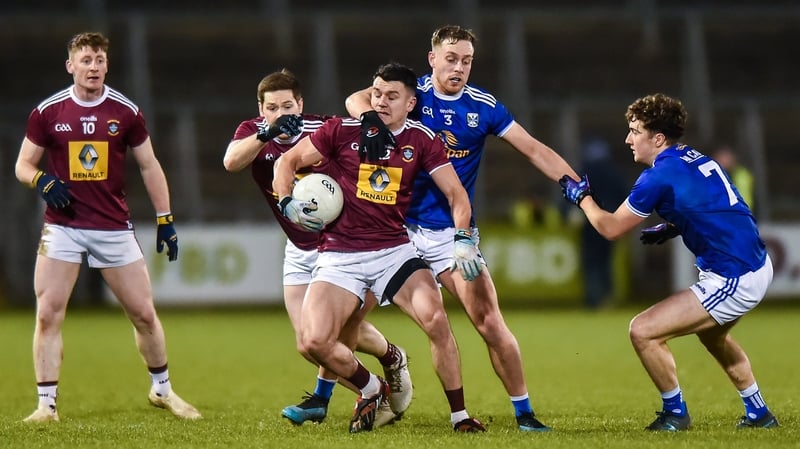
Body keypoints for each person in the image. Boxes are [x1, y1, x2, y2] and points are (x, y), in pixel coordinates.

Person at [345, 24, 581, 432]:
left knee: (489, 321)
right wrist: (370, 118)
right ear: (432, 58)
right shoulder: (409, 95)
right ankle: (353, 390)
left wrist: (576, 187)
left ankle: (524, 414)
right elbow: (356, 99)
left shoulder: (484, 107)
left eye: (466, 61)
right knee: (345, 320)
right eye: (451, 59)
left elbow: (534, 149)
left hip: (449, 233)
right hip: (395, 231)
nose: (459, 68)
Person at [273, 62, 485, 433]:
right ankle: (374, 388)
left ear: (410, 103)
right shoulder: (341, 131)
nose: (382, 101)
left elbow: (456, 194)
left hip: (393, 252)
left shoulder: (422, 140)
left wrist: (464, 239)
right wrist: (286, 201)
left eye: (392, 96)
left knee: (436, 321)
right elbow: (287, 162)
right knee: (312, 341)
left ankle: (460, 416)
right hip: (339, 255)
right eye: (376, 93)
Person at [559, 92, 778, 431]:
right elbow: (718, 205)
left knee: (643, 331)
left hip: (734, 276)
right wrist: (675, 225)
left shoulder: (657, 177)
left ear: (657, 138)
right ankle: (759, 413)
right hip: (755, 264)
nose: (628, 139)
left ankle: (675, 414)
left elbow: (611, 228)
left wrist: (583, 199)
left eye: (635, 131)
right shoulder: (694, 158)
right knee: (713, 337)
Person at [14, 31, 200, 422]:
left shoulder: (125, 111)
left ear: (106, 65)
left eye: (99, 60)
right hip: (63, 227)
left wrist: (165, 218)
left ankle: (162, 390)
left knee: (144, 314)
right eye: (86, 60)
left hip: (113, 227)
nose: (93, 67)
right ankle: (46, 405)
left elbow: (149, 165)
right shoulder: (48, 111)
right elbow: (23, 165)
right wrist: (42, 181)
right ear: (71, 66)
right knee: (48, 313)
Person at [222, 68, 411, 426]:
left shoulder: (322, 128)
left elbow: (362, 104)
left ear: (301, 104)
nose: (282, 113)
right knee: (308, 341)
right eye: (273, 107)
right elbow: (231, 162)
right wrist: (269, 132)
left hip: (340, 248)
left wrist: (371, 110)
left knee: (333, 333)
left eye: (288, 106)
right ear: (261, 109)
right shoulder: (253, 132)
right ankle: (385, 363)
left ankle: (347, 391)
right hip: (298, 249)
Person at [578, 136, 629, 309]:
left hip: (589, 222)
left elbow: (571, 193)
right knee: (606, 260)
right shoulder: (614, 173)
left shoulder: (585, 173)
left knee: (591, 261)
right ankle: (607, 298)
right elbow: (625, 195)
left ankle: (594, 298)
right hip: (611, 221)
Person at [712, 144, 754, 209]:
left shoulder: (740, 175)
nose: (718, 160)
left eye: (722, 157)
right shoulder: (719, 174)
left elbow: (743, 198)